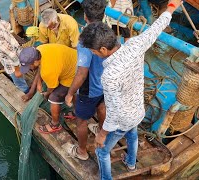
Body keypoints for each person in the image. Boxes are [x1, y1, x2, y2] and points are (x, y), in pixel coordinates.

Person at [79, 0, 182, 178]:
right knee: (132, 135)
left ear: (103, 49)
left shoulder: (108, 76)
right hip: (138, 111)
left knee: (101, 152)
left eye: (94, 51)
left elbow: (113, 112)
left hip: (123, 119)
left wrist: (102, 134)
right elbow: (156, 29)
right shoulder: (135, 44)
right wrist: (171, 8)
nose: (94, 54)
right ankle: (131, 163)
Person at [64, 0, 107, 161]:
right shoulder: (108, 33)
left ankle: (81, 151)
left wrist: (70, 93)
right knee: (102, 107)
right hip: (105, 84)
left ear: (85, 17)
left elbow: (82, 73)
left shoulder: (84, 40)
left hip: (89, 89)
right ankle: (101, 129)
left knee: (81, 120)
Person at [16, 44, 77, 133]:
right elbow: (40, 68)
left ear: (36, 61)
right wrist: (39, 84)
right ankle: (76, 112)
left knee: (54, 97)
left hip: (74, 73)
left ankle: (55, 125)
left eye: (29, 66)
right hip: (74, 59)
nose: (29, 69)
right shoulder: (40, 49)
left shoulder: (48, 71)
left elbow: (52, 87)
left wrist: (47, 94)